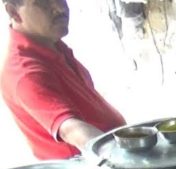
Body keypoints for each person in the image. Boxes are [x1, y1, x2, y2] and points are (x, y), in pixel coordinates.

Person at [1, 0, 126, 160]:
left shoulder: (50, 44)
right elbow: (71, 130)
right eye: (43, 3)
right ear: (13, 12)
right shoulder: (24, 71)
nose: (59, 8)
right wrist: (123, 158)